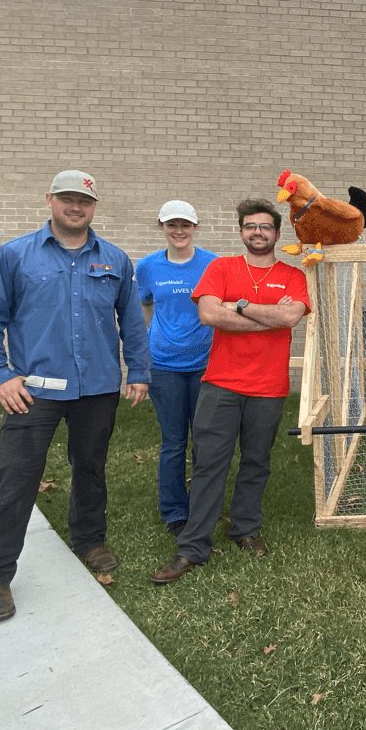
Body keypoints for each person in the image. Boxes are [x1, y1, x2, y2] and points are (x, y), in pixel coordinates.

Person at [0, 170, 150, 623]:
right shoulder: (15, 256)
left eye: (84, 200)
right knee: (15, 478)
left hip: (97, 388)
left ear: (94, 205)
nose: (76, 207)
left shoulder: (114, 259)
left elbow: (131, 322)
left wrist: (139, 372)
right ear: (49, 199)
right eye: (67, 199)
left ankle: (89, 540)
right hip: (34, 391)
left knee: (89, 467)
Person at [151, 199, 310, 584]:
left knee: (256, 462)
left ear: (276, 233)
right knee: (209, 465)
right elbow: (208, 314)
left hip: (269, 388)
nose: (258, 232)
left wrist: (237, 306)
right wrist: (266, 316)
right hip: (220, 384)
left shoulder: (292, 275)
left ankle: (245, 529)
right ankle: (192, 547)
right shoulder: (220, 267)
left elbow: (291, 316)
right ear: (241, 231)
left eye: (265, 227)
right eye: (250, 226)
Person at [135, 200, 219, 536]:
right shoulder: (147, 266)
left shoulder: (213, 264)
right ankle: (174, 512)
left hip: (205, 366)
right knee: (173, 441)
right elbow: (145, 305)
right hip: (164, 366)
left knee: (204, 439)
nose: (179, 231)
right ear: (162, 227)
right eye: (172, 225)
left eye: (185, 225)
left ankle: (201, 505)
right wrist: (149, 342)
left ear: (196, 227)